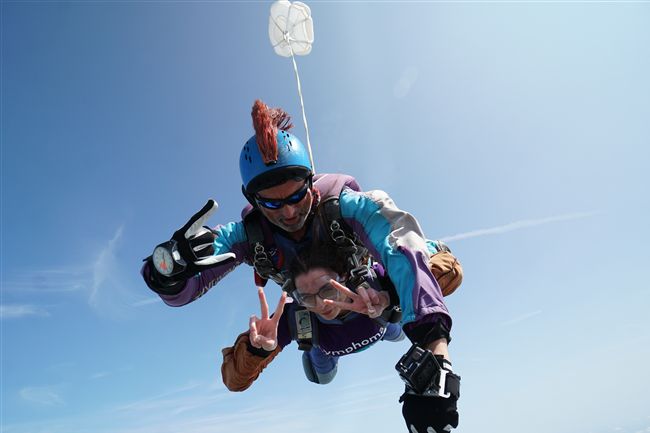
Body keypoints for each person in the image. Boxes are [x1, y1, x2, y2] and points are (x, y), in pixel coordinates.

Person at [141, 99, 463, 433]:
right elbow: (196, 273)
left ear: (310, 182)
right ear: (252, 200)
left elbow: (408, 247)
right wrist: (168, 271)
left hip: (371, 304)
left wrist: (429, 347)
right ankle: (338, 336)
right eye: (271, 203)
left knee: (394, 319)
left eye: (297, 195)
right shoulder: (252, 240)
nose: (289, 212)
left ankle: (386, 315)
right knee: (322, 371)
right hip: (323, 331)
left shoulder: (347, 209)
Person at [221, 239, 406, 390]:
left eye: (327, 289)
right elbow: (235, 382)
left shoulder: (374, 282)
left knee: (403, 332)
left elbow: (418, 265)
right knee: (321, 378)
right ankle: (312, 346)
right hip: (332, 341)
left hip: (369, 328)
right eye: (306, 297)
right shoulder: (294, 315)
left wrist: (391, 295)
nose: (321, 304)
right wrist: (257, 351)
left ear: (344, 276)